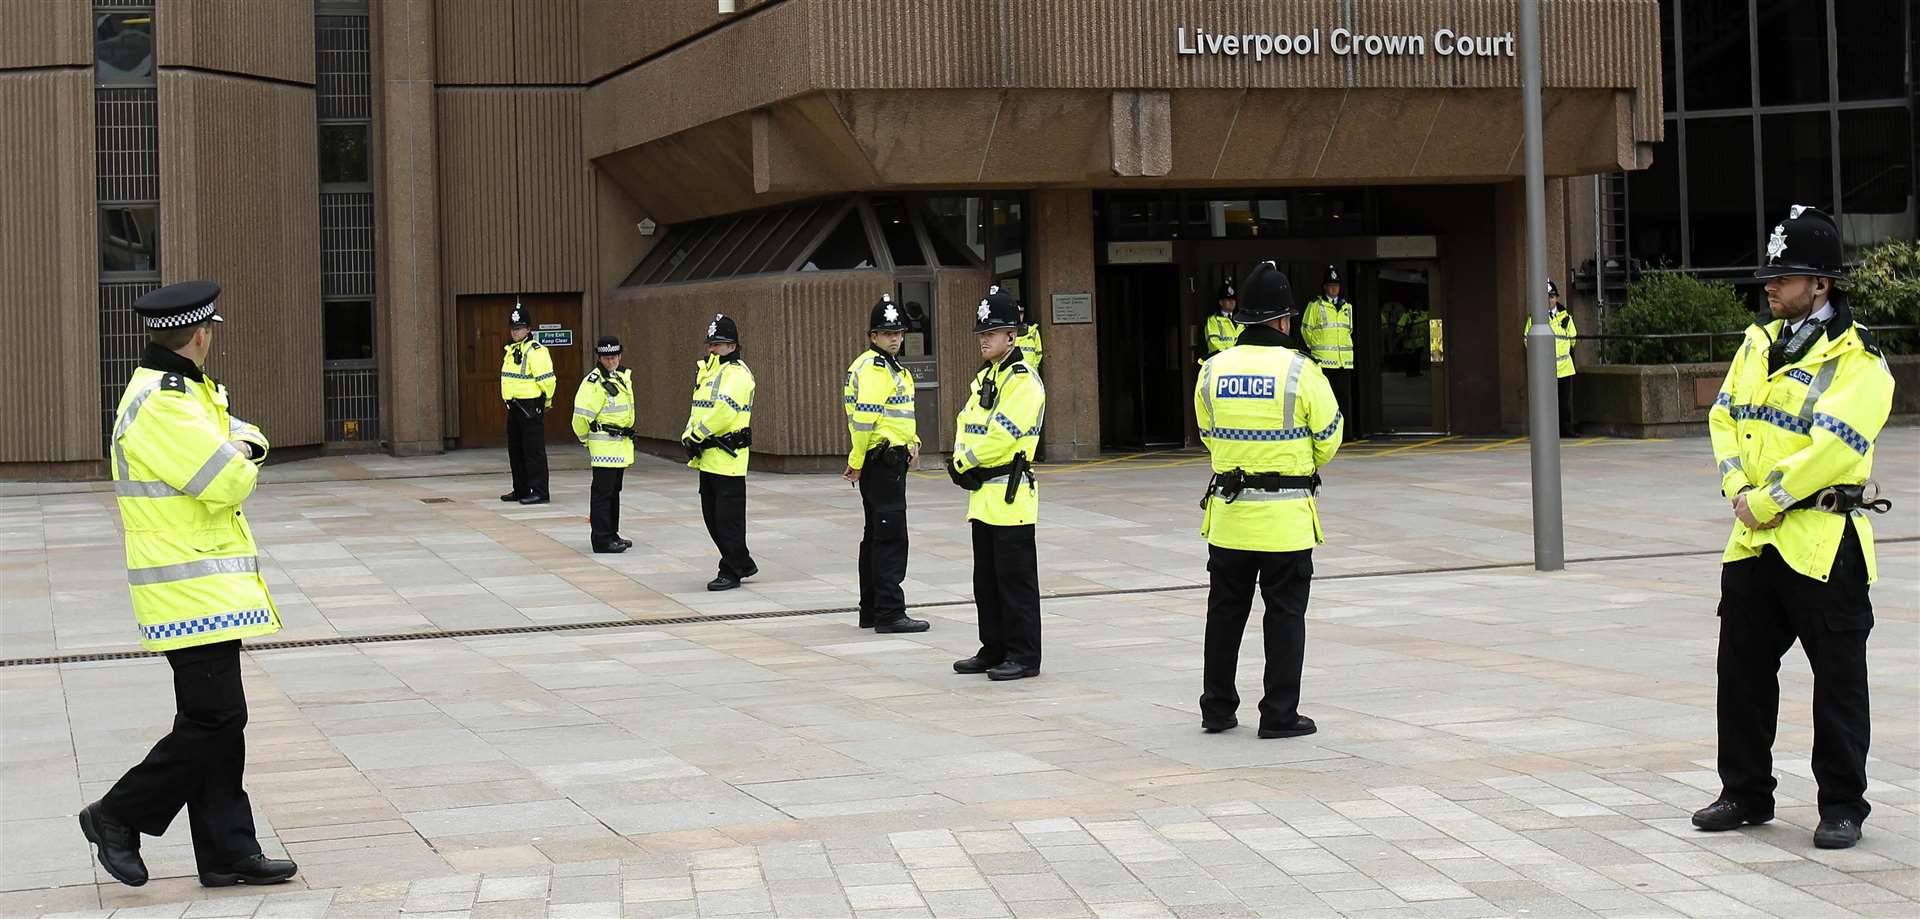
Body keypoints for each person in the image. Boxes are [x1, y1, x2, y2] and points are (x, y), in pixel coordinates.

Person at [81, 280, 298, 889]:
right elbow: (227, 479)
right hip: (186, 586)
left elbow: (241, 437)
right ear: (202, 333)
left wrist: (240, 444)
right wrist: (244, 450)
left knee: (215, 720)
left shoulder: (185, 390)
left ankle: (228, 850)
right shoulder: (166, 401)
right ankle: (116, 816)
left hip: (203, 584)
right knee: (216, 719)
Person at [1694, 205, 1894, 850]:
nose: (1770, 288)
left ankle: (1842, 806)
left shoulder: (1860, 358)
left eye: (1785, 278)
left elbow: (1838, 446)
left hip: (1822, 538)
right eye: (1771, 279)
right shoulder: (1757, 342)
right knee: (1742, 672)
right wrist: (1738, 490)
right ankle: (1745, 793)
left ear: (1822, 285)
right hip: (1753, 535)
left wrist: (1772, 496)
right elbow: (1724, 417)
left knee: (1838, 680)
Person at [1193, 261, 1342, 739]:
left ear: (1242, 321)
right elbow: (1330, 438)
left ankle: (1216, 710)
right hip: (1285, 520)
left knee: (1224, 615)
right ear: (1283, 320)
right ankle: (1278, 716)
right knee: (1283, 617)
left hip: (1231, 517)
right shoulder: (1302, 370)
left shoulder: (1213, 370)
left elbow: (1207, 435)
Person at [948, 285, 1047, 681]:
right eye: (982, 333)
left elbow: (1002, 435)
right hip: (983, 495)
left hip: (1009, 494)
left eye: (993, 332)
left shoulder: (1023, 380)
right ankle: (993, 648)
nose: (984, 339)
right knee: (986, 582)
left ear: (1013, 336)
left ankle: (1024, 656)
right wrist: (960, 459)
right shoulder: (988, 376)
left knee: (1015, 583)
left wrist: (963, 460)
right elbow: (965, 422)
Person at [843, 294, 929, 633]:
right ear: (872, 336)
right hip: (882, 462)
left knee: (876, 536)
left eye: (898, 332)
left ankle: (872, 609)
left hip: (885, 458)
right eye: (886, 333)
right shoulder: (876, 368)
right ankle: (890, 613)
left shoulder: (884, 366)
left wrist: (913, 441)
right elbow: (865, 421)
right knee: (891, 538)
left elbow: (895, 417)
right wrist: (857, 461)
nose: (894, 338)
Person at [683, 313, 758, 590]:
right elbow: (699, 407)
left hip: (728, 457)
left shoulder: (737, 374)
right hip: (709, 457)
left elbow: (724, 411)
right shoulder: (712, 372)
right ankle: (741, 560)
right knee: (712, 517)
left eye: (719, 344)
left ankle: (731, 569)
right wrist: (688, 434)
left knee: (727, 520)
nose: (713, 348)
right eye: (712, 344)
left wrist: (697, 434)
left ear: (733, 346)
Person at [573, 335, 636, 554]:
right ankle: (601, 539)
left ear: (620, 355)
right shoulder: (594, 382)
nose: (611, 361)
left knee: (613, 491)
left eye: (614, 356)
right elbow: (580, 417)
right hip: (604, 446)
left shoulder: (620, 376)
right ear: (600, 357)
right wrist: (585, 440)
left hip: (619, 445)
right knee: (603, 493)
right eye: (607, 357)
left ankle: (611, 533)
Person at [500, 300, 556, 505]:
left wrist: (546, 401)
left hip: (531, 406)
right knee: (516, 451)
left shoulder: (536, 351)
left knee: (534, 452)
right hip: (514, 406)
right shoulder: (510, 350)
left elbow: (548, 380)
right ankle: (521, 489)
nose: (516, 332)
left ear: (529, 329)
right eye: (513, 328)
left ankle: (540, 491)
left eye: (520, 328)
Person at [1301, 266, 1357, 440]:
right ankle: (1326, 435)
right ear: (1324, 287)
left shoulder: (1347, 306)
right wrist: (1315, 348)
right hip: (1324, 362)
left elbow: (1349, 330)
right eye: (1330, 285)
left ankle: (1344, 434)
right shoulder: (1316, 306)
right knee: (1325, 400)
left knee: (1343, 400)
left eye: (1336, 285)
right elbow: (1305, 329)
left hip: (1343, 361)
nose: (1334, 288)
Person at [1522, 280, 1579, 437]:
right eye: (1547, 296)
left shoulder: (1565, 317)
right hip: (1545, 369)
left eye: (1552, 296)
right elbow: (1528, 340)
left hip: (1564, 368)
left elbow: (1573, 339)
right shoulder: (1535, 318)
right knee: (1546, 403)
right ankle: (1548, 432)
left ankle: (1565, 430)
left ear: (1557, 298)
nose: (1549, 300)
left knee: (1564, 403)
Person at [1200, 280, 1240, 363]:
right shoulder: (1213, 320)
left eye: (1233, 299)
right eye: (1228, 299)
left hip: (1238, 361)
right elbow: (1213, 343)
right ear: (1221, 302)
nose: (1232, 302)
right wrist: (1230, 354)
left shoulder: (1240, 320)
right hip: (1220, 361)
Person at [1015, 299, 1044, 372]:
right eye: (1016, 314)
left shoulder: (1033, 332)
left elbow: (1039, 354)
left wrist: (1034, 366)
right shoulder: (1006, 332)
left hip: (1031, 372)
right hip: (1012, 374)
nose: (1019, 316)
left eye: (1021, 314)